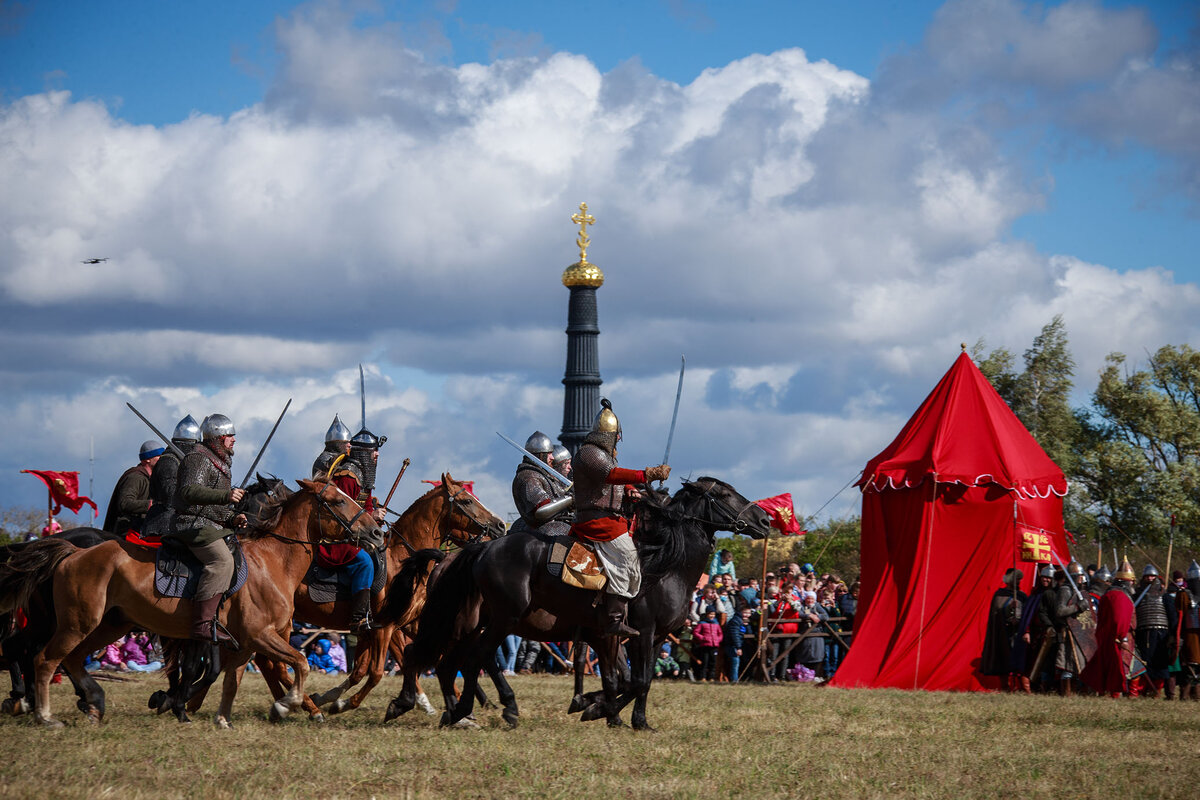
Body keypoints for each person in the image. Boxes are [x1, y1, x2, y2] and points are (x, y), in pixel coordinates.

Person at [567, 398, 669, 637]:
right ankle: (613, 618)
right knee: (628, 557)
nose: (619, 439)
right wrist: (647, 474)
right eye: (617, 434)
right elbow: (612, 475)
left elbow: (615, 485)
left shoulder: (604, 455)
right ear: (608, 434)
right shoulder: (588, 453)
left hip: (610, 520)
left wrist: (632, 493)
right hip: (596, 522)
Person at [168, 413, 246, 648]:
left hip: (209, 524)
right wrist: (226, 495)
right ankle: (202, 624)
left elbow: (213, 506)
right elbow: (189, 492)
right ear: (220, 437)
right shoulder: (198, 458)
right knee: (221, 562)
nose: (234, 440)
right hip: (192, 524)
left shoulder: (219, 462)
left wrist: (233, 517)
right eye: (230, 435)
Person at [313, 419, 388, 631]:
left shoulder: (362, 475)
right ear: (363, 452)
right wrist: (371, 514)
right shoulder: (348, 476)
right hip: (337, 537)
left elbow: (362, 504)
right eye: (374, 451)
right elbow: (344, 511)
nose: (377, 455)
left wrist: (375, 511)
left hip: (355, 533)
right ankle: (358, 618)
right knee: (364, 561)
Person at [1082, 560, 1139, 698]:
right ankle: (1115, 694)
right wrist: (1123, 637)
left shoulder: (1109, 594)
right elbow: (1118, 620)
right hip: (1119, 638)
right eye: (1131, 581)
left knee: (1108, 665)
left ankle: (1106, 692)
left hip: (1107, 637)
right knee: (1119, 667)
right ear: (1126, 582)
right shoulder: (1120, 596)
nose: (1132, 584)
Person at [143, 415, 201, 540]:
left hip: (177, 520)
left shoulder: (181, 461)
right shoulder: (169, 462)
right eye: (193, 446)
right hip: (164, 521)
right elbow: (171, 497)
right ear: (186, 444)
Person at [510, 431, 574, 535]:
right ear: (540, 455)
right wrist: (571, 498)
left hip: (559, 524)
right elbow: (542, 511)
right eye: (549, 454)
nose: (552, 458)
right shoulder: (529, 477)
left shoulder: (541, 475)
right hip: (547, 530)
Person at [103, 440, 165, 534]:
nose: (162, 459)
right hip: (127, 531)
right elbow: (124, 503)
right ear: (148, 459)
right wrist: (151, 505)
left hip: (141, 528)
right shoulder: (135, 477)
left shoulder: (152, 479)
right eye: (159, 456)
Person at [981, 568, 1027, 691]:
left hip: (1018, 633)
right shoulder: (999, 595)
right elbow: (997, 613)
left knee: (1019, 660)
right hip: (1003, 633)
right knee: (1003, 659)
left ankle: (1022, 688)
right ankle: (1005, 687)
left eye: (1019, 579)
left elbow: (1028, 614)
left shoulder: (1022, 596)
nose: (1017, 581)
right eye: (1015, 579)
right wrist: (1008, 608)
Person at [1134, 564, 1175, 698]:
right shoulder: (1138, 595)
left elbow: (1172, 616)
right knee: (1144, 661)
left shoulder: (1165, 596)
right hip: (1143, 632)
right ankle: (1144, 689)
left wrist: (1172, 635)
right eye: (1147, 576)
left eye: (1152, 576)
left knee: (1159, 662)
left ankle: (1156, 690)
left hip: (1161, 633)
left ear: (1156, 577)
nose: (1150, 578)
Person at [1177, 560, 1200, 701]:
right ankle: (1187, 696)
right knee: (1191, 665)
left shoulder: (1184, 594)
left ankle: (1195, 695)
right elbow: (1178, 613)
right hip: (1190, 634)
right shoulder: (1184, 594)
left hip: (1194, 635)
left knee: (1195, 666)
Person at [312, 415, 353, 479]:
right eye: (346, 442)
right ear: (337, 444)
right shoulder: (325, 459)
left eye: (350, 442)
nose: (349, 445)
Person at [693, 609, 723, 681]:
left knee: (713, 662)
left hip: (714, 645)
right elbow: (695, 632)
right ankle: (703, 677)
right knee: (705, 661)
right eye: (710, 614)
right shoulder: (702, 623)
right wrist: (703, 638)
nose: (712, 616)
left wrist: (718, 640)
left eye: (713, 614)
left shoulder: (716, 624)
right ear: (707, 614)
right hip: (705, 645)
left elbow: (720, 634)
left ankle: (711, 677)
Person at [724, 607, 750, 682]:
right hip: (732, 644)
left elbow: (749, 632)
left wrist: (747, 625)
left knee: (743, 660)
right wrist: (738, 647)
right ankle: (734, 680)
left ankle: (744, 678)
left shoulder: (745, 621)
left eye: (748, 613)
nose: (747, 615)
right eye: (745, 613)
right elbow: (735, 635)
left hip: (741, 644)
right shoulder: (735, 621)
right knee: (735, 661)